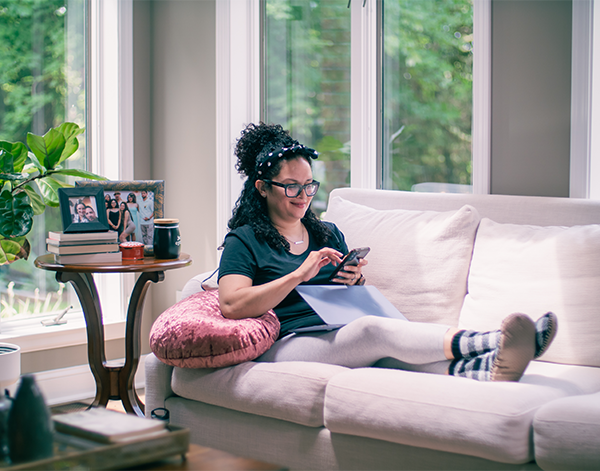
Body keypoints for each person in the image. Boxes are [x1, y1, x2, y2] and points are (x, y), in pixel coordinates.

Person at [217, 122, 558, 382]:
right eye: (292, 186)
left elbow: (343, 295)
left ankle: (486, 369)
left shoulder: (326, 233)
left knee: (387, 349)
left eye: (309, 185)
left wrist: (353, 279)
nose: (304, 195)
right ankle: (493, 340)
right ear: (262, 187)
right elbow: (232, 305)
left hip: (336, 329)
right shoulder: (244, 240)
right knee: (372, 332)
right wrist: (297, 276)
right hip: (288, 342)